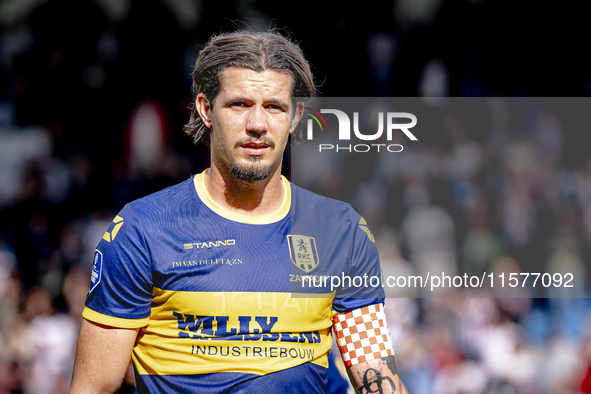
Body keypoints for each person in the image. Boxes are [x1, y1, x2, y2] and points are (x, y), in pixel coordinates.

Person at [69, 29, 409, 394]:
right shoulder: (142, 229)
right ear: (206, 109)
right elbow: (94, 386)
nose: (258, 125)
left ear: (295, 117)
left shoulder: (343, 230)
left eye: (274, 107)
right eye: (239, 104)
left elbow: (376, 376)